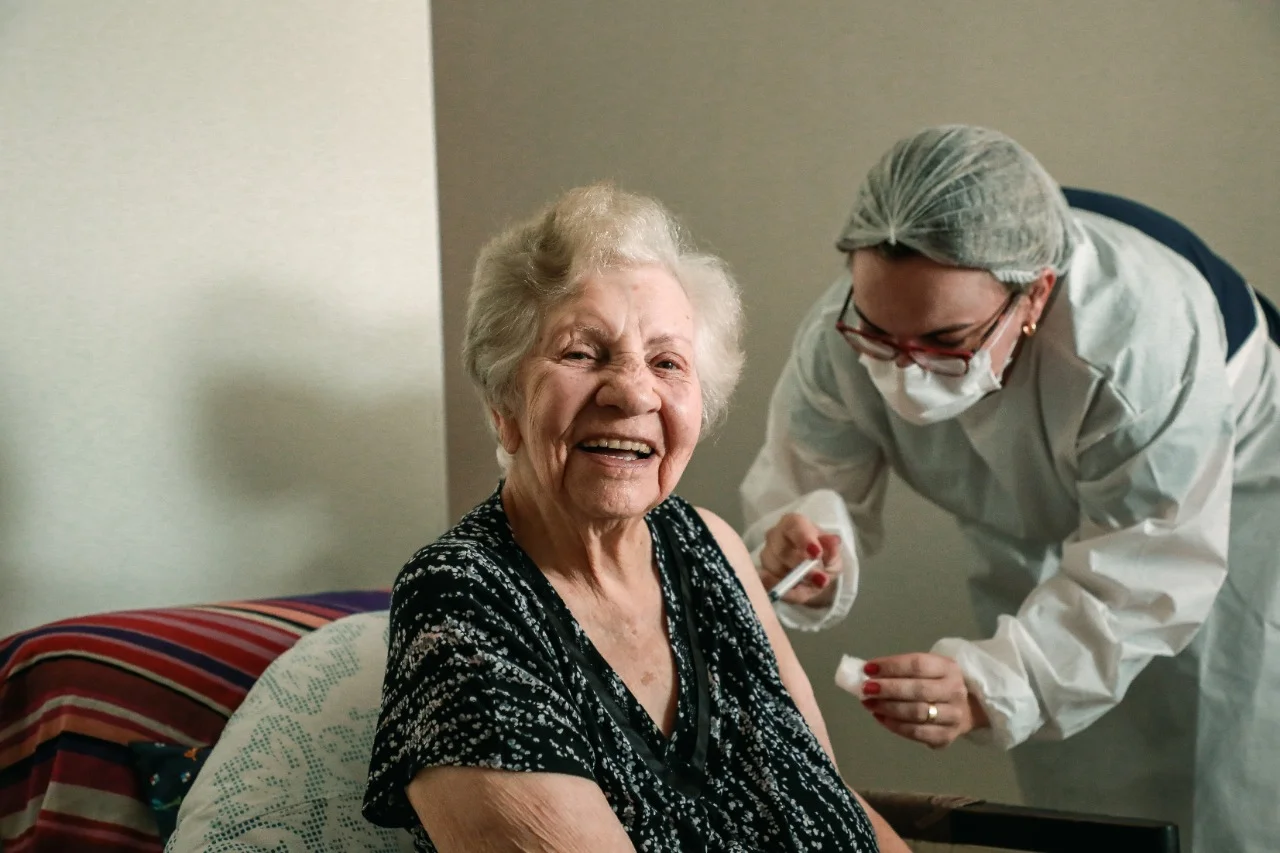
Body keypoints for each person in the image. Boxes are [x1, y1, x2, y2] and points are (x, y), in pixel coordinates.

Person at [741, 124, 1280, 852]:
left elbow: (1152, 566)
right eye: (880, 333)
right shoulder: (839, 333)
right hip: (1030, 520)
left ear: (1036, 296)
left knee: (1243, 763)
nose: (906, 369)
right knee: (1085, 787)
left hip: (1249, 487)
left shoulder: (1138, 340)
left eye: (946, 341)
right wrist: (803, 547)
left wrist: (996, 683)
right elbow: (808, 479)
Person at [363, 184, 909, 853]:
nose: (633, 392)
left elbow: (827, 794)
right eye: (581, 352)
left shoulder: (711, 546)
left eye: (666, 361)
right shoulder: (461, 596)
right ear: (505, 403)